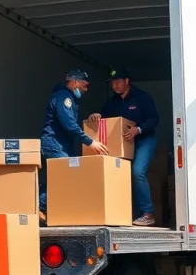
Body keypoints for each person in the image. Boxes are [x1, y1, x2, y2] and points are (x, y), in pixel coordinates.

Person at [88, 69, 160, 226]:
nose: (115, 85)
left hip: (144, 139)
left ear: (127, 81)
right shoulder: (112, 102)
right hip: (124, 143)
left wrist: (138, 129)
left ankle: (148, 213)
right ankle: (127, 213)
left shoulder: (142, 97)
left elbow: (154, 119)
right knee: (121, 174)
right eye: (112, 82)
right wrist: (96, 115)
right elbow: (104, 118)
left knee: (138, 172)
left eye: (118, 81)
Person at [38, 69, 109, 222]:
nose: (85, 89)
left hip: (59, 145)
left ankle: (42, 208)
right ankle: (39, 206)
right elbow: (69, 125)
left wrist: (90, 118)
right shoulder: (64, 97)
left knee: (56, 178)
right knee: (64, 176)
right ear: (75, 82)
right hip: (54, 144)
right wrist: (91, 142)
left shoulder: (69, 98)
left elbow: (72, 123)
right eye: (85, 85)